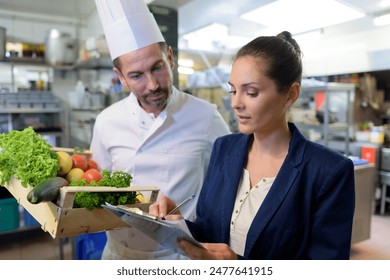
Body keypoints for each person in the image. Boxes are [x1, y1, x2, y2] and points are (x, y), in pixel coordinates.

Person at [150, 31, 356, 260]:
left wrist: (238, 266)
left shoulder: (328, 172)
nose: (236, 103)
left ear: (291, 94)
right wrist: (179, 224)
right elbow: (210, 232)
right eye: (233, 90)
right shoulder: (224, 149)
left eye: (251, 92)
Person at [91, 0, 230, 259]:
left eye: (157, 68)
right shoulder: (107, 121)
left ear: (169, 58)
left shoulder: (206, 116)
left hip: (177, 257)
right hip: (118, 256)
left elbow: (230, 182)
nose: (153, 84)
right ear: (120, 77)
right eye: (136, 75)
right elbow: (95, 186)